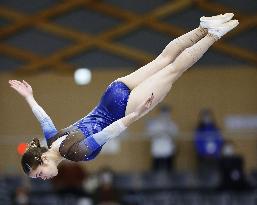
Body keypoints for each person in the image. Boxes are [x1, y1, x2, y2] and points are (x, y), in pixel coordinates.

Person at [9, 13, 239, 180]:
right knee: (163, 60)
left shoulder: (75, 153)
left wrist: (137, 115)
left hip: (124, 109)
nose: (43, 179)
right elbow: (44, 120)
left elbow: (110, 131)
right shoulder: (51, 140)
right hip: (111, 94)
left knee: (173, 70)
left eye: (39, 174)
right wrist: (29, 97)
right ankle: (203, 27)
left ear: (42, 160)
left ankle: (212, 35)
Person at [146, 105, 178, 171]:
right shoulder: (154, 124)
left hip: (169, 150)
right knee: (156, 170)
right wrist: (159, 133)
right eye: (164, 113)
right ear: (160, 113)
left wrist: (168, 132)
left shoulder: (172, 124)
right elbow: (149, 135)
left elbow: (176, 136)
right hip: (157, 150)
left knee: (169, 170)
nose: (165, 115)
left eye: (167, 113)